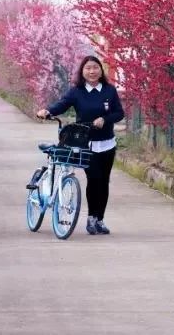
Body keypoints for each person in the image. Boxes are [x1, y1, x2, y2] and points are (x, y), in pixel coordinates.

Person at [35, 56, 124, 235]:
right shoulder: (77, 92)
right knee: (94, 180)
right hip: (86, 144)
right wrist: (47, 111)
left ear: (101, 70)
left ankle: (100, 219)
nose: (92, 71)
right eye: (88, 68)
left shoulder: (109, 91)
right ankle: (91, 218)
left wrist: (104, 120)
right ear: (82, 71)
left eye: (95, 68)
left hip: (107, 143)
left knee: (104, 182)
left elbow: (119, 113)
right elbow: (61, 105)